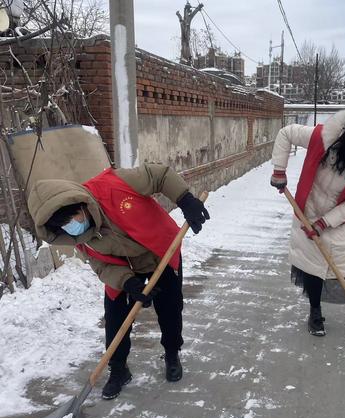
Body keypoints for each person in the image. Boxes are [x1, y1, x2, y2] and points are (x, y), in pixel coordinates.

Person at [27, 163, 209, 400]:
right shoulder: (78, 236)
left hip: (160, 252)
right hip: (124, 268)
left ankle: (172, 353)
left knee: (170, 308)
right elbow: (102, 265)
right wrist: (128, 283)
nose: (71, 226)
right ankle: (119, 369)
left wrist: (186, 201)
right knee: (115, 316)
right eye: (63, 225)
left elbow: (160, 175)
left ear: (80, 204)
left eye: (72, 218)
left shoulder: (114, 184)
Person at [270, 107, 345, 339]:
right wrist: (279, 171)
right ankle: (315, 313)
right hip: (310, 214)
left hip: (344, 221)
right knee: (314, 268)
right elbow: (286, 133)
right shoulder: (324, 138)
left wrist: (326, 222)